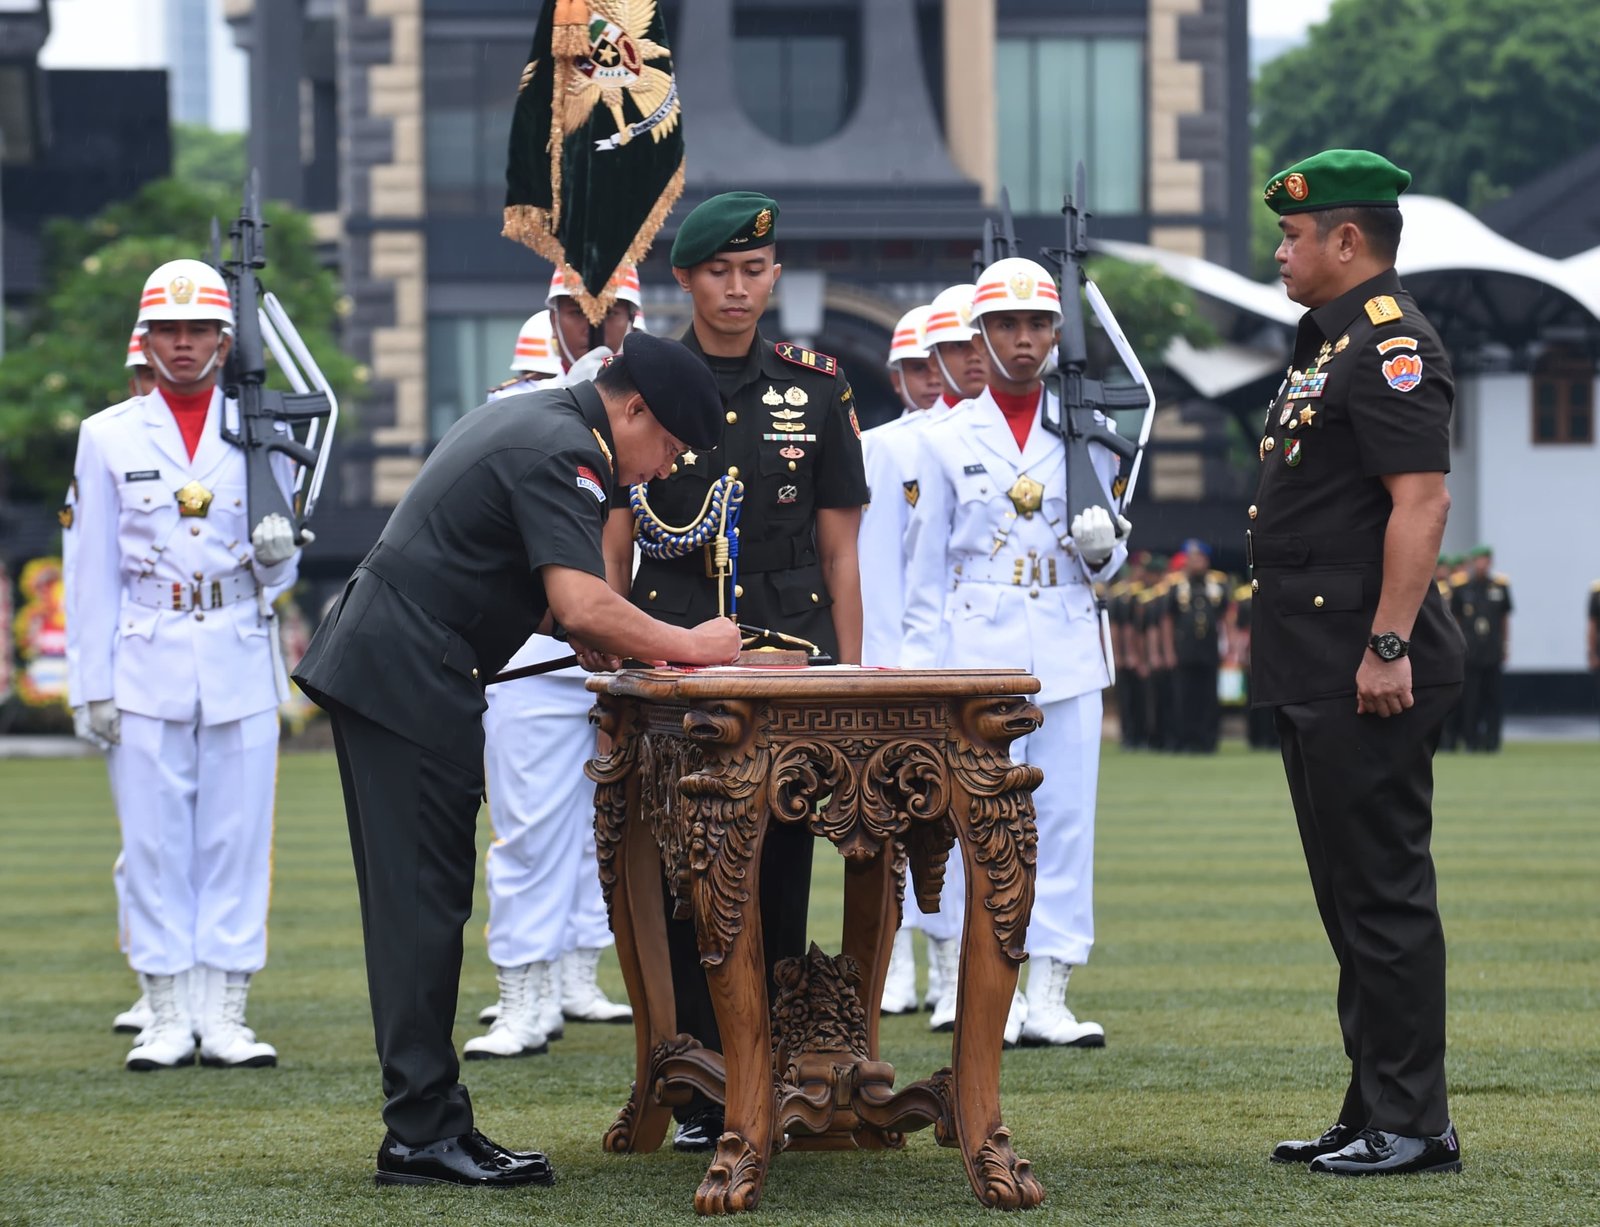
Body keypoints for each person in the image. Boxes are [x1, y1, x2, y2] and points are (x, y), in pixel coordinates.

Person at [294, 331, 740, 1189]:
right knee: (423, 907)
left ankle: (426, 1123)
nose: (657, 472)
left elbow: (499, 574)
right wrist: (689, 642)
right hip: (407, 675)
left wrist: (587, 633)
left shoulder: (540, 421)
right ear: (634, 407)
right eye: (668, 449)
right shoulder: (569, 449)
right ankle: (423, 1133)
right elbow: (579, 600)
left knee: (421, 903)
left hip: (403, 663)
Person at [601, 191, 867, 1150]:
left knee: (784, 865)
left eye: (756, 270)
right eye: (720, 270)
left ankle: (783, 1073)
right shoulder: (641, 378)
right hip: (677, 648)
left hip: (792, 656)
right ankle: (703, 1084)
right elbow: (620, 534)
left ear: (776, 277)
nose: (739, 287)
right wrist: (616, 653)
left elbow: (841, 555)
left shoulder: (821, 385)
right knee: (690, 870)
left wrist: (854, 673)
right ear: (685, 279)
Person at [1254, 149, 1465, 1175]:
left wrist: (1386, 645)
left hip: (1364, 661)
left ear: (1348, 240)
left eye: (1292, 236)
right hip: (1315, 657)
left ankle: (1416, 1124)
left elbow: (1419, 501)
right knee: (1349, 897)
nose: (1278, 251)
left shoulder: (1388, 345)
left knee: (1381, 894)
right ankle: (1373, 1102)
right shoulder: (1323, 344)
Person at [66, 259, 303, 1071]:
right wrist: (89, 687)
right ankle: (166, 1011)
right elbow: (88, 569)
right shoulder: (107, 434)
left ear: (222, 337)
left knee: (239, 839)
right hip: (146, 654)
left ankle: (226, 1012)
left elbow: (280, 565)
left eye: (197, 328)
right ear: (147, 337)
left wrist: (278, 558)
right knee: (157, 842)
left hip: (237, 645)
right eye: (167, 329)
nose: (181, 343)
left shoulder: (259, 420)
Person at [903, 255, 1133, 1049]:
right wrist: (922, 680)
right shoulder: (943, 439)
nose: (1024, 340)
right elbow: (925, 571)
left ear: (1058, 334)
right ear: (979, 335)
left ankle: (1052, 991)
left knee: (1065, 822)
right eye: (1007, 324)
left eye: (1038, 324)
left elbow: (1108, 560)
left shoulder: (1088, 431)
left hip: (1065, 649)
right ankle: (981, 991)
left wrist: (1106, 550)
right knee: (977, 825)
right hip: (972, 657)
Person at [464, 271, 643, 1061]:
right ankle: (520, 991)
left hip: (625, 633)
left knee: (601, 825)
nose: (597, 321)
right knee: (531, 824)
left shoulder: (648, 397)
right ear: (556, 312)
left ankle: (577, 970)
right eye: (580, 306)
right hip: (540, 637)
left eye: (617, 309)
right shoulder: (516, 404)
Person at [858, 303, 938, 1015]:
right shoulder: (880, 447)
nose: (935, 376)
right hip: (894, 656)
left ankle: (944, 967)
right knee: (890, 820)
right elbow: (871, 567)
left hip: (960, 653)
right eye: (918, 365)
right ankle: (898, 965)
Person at [1160, 540, 1229, 753]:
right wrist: (1169, 650)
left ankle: (1207, 740)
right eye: (1192, 558)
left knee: (1208, 697)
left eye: (1199, 558)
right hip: (1184, 650)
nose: (1196, 562)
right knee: (1184, 697)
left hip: (1208, 649)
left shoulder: (1217, 585)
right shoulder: (1176, 585)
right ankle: (1184, 740)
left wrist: (1229, 646)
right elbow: (1167, 619)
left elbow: (1226, 617)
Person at [1450, 546, 1511, 752]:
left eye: (1485, 560)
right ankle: (1471, 741)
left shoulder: (1500, 587)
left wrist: (1505, 645)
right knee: (1471, 699)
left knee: (1493, 699)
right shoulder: (1462, 587)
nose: (1482, 564)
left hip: (1492, 651)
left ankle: (1493, 742)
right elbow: (1455, 620)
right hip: (1470, 652)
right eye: (1478, 560)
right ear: (1473, 562)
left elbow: (1504, 619)